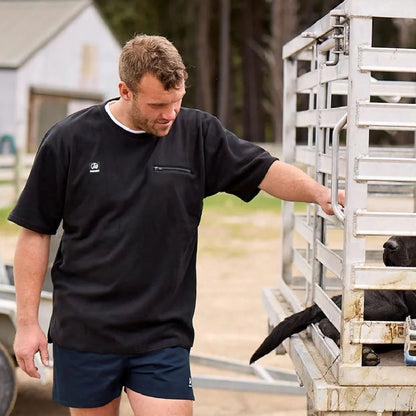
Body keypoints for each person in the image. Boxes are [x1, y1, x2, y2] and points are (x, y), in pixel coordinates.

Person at [9, 34, 345, 416]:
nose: (170, 113)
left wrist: (320, 193)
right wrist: (27, 323)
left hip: (162, 333)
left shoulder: (198, 134)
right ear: (126, 91)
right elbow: (35, 231)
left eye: (177, 100)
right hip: (86, 330)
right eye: (158, 104)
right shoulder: (69, 140)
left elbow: (264, 169)